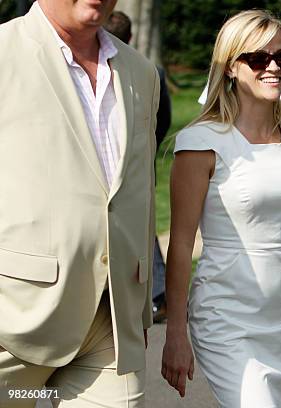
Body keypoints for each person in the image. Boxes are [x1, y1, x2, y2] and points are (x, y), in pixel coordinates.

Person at [161, 9, 281, 406]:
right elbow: (182, 244)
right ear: (231, 68)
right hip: (226, 317)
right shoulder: (200, 142)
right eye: (258, 58)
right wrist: (174, 334)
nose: (273, 67)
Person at [0, 0, 159, 406]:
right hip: (13, 317)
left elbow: (139, 189)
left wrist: (137, 309)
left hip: (109, 323)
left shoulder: (141, 72)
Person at [104, 10, 172, 322]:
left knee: (143, 228)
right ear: (130, 36)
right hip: (123, 164)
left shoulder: (148, 72)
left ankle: (155, 294)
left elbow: (159, 122)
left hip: (139, 162)